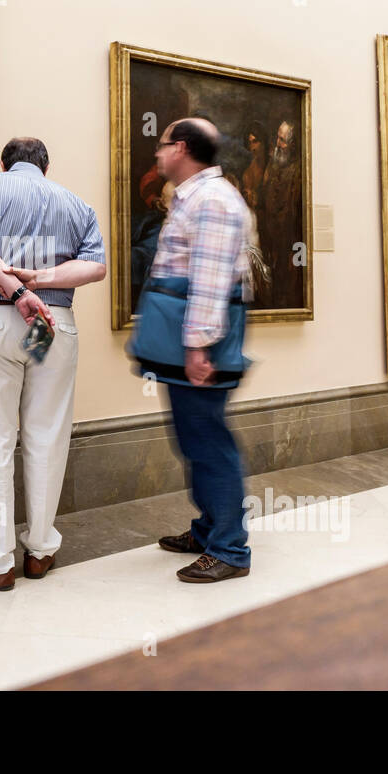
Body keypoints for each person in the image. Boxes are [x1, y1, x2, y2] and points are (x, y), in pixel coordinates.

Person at [0, 138, 106, 590]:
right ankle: (40, 550)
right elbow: (95, 268)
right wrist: (42, 279)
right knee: (47, 437)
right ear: (46, 166)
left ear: (4, 163)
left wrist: (18, 292)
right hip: (52, 326)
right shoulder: (76, 204)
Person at [149, 117, 254, 583]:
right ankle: (210, 528)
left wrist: (198, 348)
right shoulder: (196, 197)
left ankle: (229, 549)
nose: (157, 153)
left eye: (162, 144)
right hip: (183, 340)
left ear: (182, 149)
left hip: (198, 343)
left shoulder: (212, 201)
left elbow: (210, 280)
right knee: (195, 438)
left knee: (209, 441)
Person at [256, 120, 303, 309]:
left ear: (292, 144)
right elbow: (264, 203)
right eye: (277, 138)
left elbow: (297, 213)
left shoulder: (299, 170)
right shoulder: (271, 167)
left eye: (282, 141)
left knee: (288, 293)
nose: (278, 144)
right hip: (271, 243)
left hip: (290, 246)